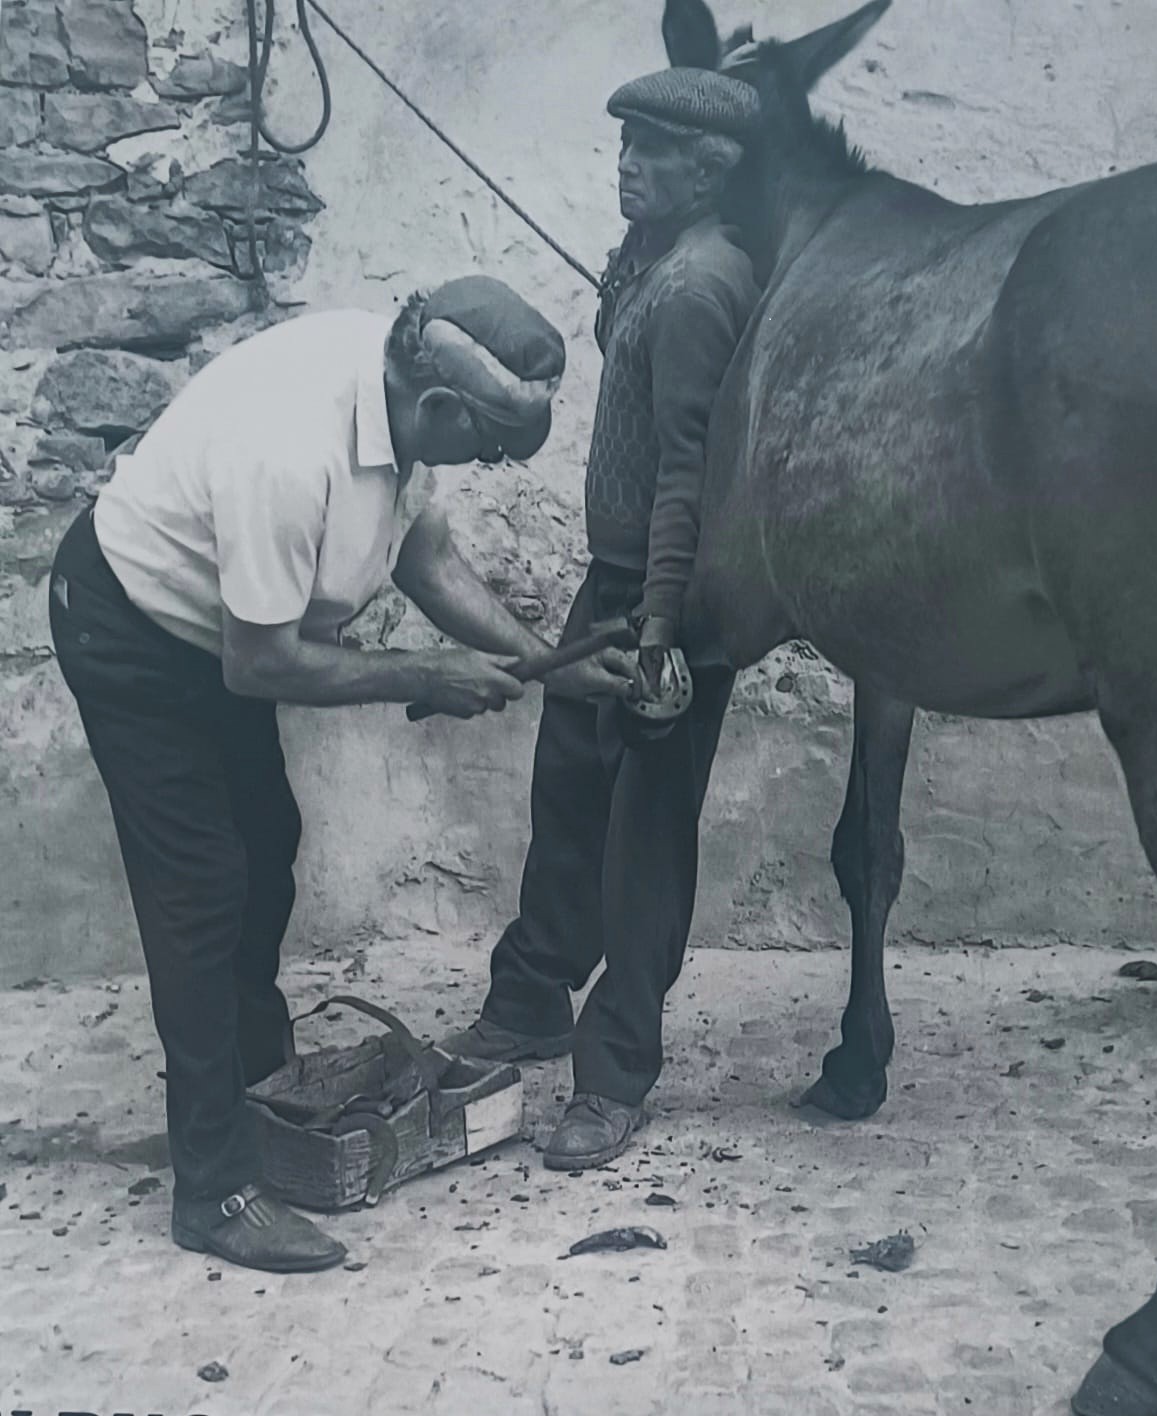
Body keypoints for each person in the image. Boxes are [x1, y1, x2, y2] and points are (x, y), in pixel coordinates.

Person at [48, 276, 637, 1273]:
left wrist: (554, 660)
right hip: (131, 632)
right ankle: (215, 1188)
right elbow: (260, 662)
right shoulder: (293, 448)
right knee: (198, 889)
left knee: (265, 852)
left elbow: (430, 562)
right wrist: (421, 674)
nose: (489, 462)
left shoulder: (404, 394)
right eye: (487, 444)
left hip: (213, 634)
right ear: (440, 407)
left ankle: (256, 1093)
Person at [440, 67, 762, 1171]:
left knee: (644, 840)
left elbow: (687, 474)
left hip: (669, 601)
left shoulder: (702, 286)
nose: (626, 161)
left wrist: (662, 631)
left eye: (651, 149)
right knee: (566, 791)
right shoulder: (658, 269)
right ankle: (529, 996)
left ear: (706, 167)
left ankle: (616, 1068)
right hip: (611, 577)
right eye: (623, 142)